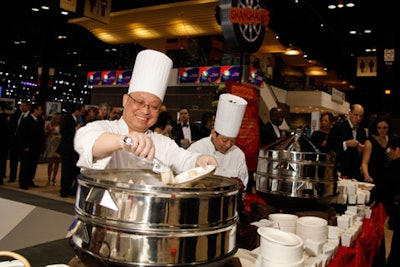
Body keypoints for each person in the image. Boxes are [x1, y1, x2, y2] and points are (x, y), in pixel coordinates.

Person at [74, 49, 217, 176]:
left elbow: (184, 159)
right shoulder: (104, 128)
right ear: (125, 100)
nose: (145, 110)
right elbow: (85, 140)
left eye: (154, 106)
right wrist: (124, 140)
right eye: (139, 102)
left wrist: (200, 160)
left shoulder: (162, 143)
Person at [188, 93, 248, 193]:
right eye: (224, 140)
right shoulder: (196, 150)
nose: (228, 145)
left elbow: (242, 186)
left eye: (233, 141)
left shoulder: (239, 155)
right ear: (213, 134)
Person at [326, 104, 366, 181]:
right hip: (340, 168)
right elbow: (329, 147)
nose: (358, 118)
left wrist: (360, 150)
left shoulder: (362, 131)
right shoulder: (338, 127)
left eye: (361, 116)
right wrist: (346, 144)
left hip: (355, 171)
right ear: (350, 113)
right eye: (356, 115)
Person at [379, 133, 400, 267]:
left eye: (391, 151)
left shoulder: (395, 165)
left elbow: (385, 188)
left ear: (397, 149)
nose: (391, 153)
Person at [361, 115, 391, 202]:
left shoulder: (391, 140)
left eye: (385, 128)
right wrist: (367, 176)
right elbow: (364, 162)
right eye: (379, 128)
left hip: (387, 176)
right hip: (373, 176)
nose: (382, 130)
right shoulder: (370, 141)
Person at [59, 104, 85, 197]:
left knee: (72, 171)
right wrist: (75, 129)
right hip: (67, 149)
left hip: (74, 150)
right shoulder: (67, 118)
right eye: (81, 110)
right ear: (76, 110)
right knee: (65, 171)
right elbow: (62, 132)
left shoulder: (78, 119)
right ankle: (63, 190)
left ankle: (69, 189)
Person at [18, 103, 45, 189]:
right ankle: (23, 182)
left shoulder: (40, 121)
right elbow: (22, 134)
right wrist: (25, 146)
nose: (41, 111)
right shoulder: (26, 120)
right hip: (27, 147)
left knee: (33, 165)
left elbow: (41, 135)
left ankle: (30, 180)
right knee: (25, 165)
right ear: (35, 110)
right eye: (40, 109)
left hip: (36, 147)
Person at [7, 100, 31, 183]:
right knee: (13, 160)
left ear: (28, 106)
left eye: (24, 105)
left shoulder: (30, 117)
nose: (22, 107)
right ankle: (12, 176)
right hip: (14, 141)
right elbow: (11, 127)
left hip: (23, 143)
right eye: (21, 105)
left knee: (24, 162)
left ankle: (23, 179)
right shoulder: (17, 114)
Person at [44, 112, 62, 186]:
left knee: (57, 163)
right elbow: (45, 133)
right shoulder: (49, 124)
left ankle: (54, 178)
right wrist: (49, 130)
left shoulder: (61, 126)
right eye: (56, 118)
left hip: (59, 143)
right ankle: (48, 178)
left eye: (59, 118)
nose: (58, 120)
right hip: (51, 144)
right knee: (50, 163)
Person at [0, 102, 10, 185]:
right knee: (2, 160)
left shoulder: (3, 117)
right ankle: (2, 175)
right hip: (4, 143)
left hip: (2, 142)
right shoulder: (6, 117)